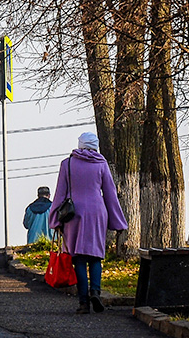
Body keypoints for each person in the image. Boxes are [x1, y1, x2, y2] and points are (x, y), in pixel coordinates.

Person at [48, 131, 129, 314]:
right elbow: (110, 193)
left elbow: (60, 193)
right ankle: (96, 292)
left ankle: (83, 302)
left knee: (78, 259)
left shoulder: (67, 164)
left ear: (80, 145)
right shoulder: (101, 164)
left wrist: (55, 219)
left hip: (74, 215)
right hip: (97, 213)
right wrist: (118, 222)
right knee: (95, 257)